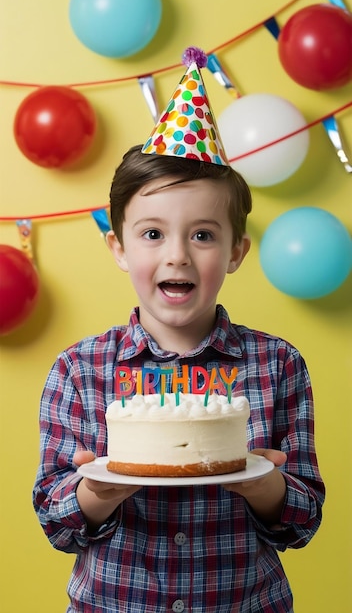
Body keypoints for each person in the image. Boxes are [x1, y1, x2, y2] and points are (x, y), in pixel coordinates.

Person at [33, 50, 325, 613]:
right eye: (150, 234)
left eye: (203, 235)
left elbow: (304, 521)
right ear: (117, 248)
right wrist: (96, 492)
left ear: (237, 251)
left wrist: (264, 484)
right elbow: (55, 522)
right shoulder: (78, 370)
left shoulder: (279, 364)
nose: (177, 256)